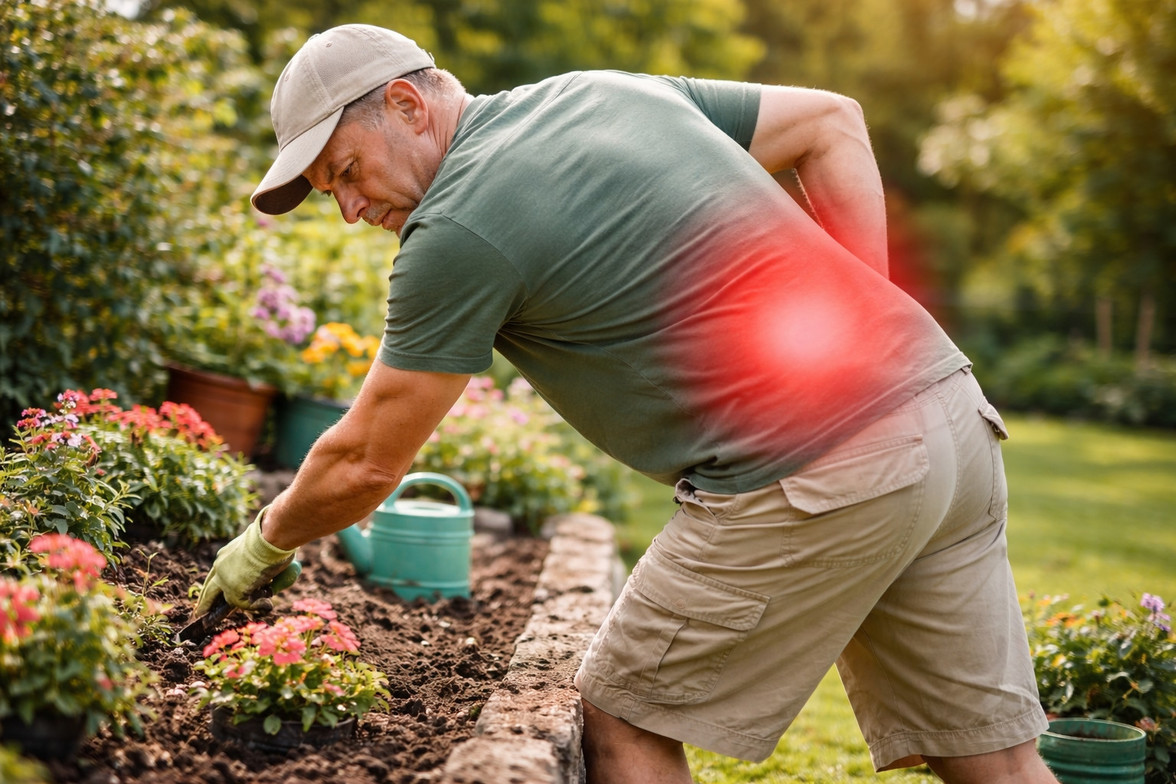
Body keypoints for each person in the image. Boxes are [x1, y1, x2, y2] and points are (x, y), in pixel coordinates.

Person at [193, 23, 1060, 784]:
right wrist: (866, 316)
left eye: (345, 171)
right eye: (327, 193)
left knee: (621, 714)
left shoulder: (455, 230)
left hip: (817, 473)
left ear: (408, 107)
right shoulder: (601, 92)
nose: (347, 209)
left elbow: (367, 460)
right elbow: (832, 121)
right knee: (996, 761)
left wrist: (259, 546)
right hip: (948, 414)